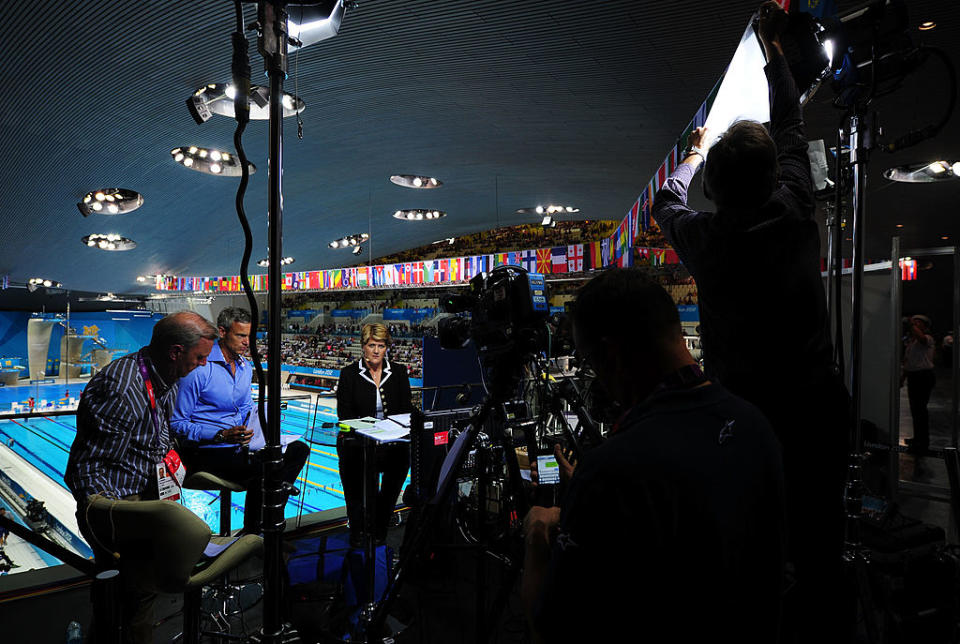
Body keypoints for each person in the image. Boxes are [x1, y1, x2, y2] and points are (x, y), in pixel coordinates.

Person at [651, 2, 850, 637]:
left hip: (744, 420)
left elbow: (664, 204)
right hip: (817, 408)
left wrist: (690, 156)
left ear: (716, 187)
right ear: (770, 177)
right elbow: (790, 123)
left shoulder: (706, 240)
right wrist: (771, 48)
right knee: (821, 542)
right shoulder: (794, 208)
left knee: (750, 550)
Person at [522, 268, 785, 643]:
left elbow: (551, 627)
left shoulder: (613, 471)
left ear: (611, 353)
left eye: (591, 362)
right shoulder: (755, 425)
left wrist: (536, 534)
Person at [65, 311, 217, 644]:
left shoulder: (166, 378)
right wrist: (112, 521)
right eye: (199, 358)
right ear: (175, 351)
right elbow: (90, 469)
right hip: (119, 507)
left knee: (139, 597)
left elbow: (158, 440)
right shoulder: (123, 389)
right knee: (130, 596)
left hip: (146, 494)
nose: (203, 365)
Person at [171, 307, 309, 533]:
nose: (248, 342)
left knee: (298, 449)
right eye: (241, 336)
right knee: (265, 467)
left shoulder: (245, 368)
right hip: (205, 450)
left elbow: (247, 408)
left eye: (250, 336)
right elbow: (176, 423)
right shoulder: (200, 368)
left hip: (238, 445)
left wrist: (262, 425)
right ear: (223, 332)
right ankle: (254, 532)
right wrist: (221, 434)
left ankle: (269, 523)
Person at [336, 323, 413, 545]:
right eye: (372, 345)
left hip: (391, 445)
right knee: (358, 493)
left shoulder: (398, 372)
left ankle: (380, 531)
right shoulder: (349, 374)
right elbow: (345, 415)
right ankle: (359, 533)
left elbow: (404, 409)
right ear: (363, 346)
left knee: (400, 461)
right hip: (360, 445)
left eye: (381, 345)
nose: (376, 351)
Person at [903, 314, 936, 453]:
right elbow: (908, 361)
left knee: (920, 410)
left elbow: (921, 338)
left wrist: (911, 325)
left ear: (925, 326)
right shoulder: (912, 342)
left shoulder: (927, 338)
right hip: (914, 376)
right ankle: (917, 438)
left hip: (923, 377)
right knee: (915, 410)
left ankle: (922, 443)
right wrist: (903, 377)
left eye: (918, 322)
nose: (915, 324)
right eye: (914, 322)